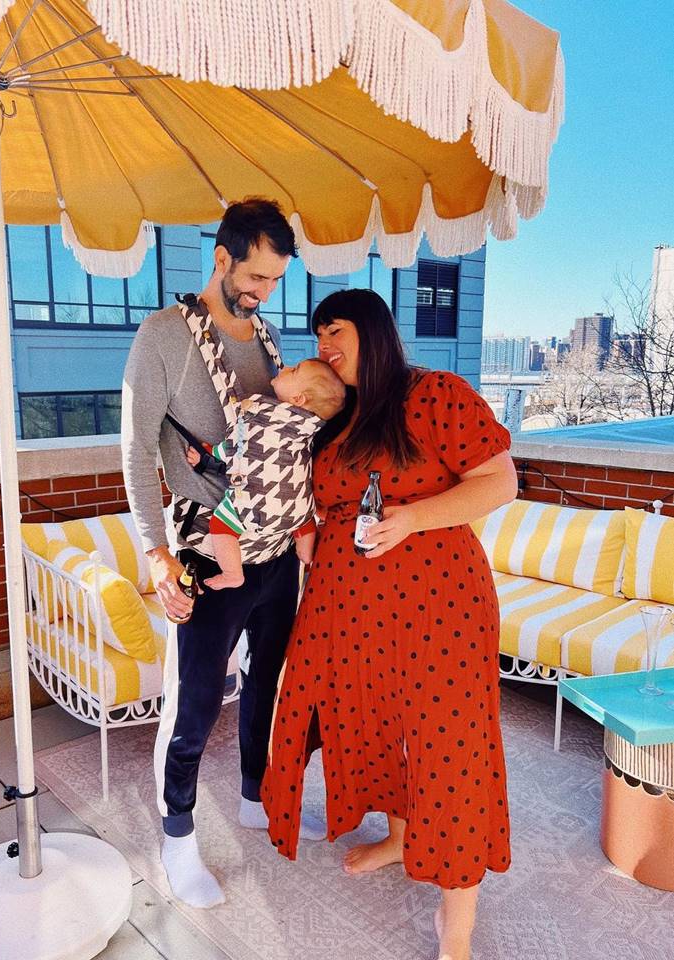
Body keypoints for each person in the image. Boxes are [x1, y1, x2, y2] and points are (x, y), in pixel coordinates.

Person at [261, 289, 518, 960]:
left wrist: (413, 517)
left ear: (371, 331)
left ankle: (454, 917)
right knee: (374, 728)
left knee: (449, 748)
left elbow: (498, 481)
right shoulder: (333, 418)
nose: (323, 344)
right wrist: (304, 530)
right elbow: (306, 498)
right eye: (317, 335)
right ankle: (401, 836)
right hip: (347, 608)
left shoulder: (436, 393)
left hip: (440, 606)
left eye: (335, 330)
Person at [121, 199, 325, 911]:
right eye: (255, 276)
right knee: (195, 704)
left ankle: (251, 794)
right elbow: (134, 454)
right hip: (209, 552)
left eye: (273, 281)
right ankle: (176, 839)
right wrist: (155, 555)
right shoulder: (162, 337)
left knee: (267, 684)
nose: (262, 292)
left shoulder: (266, 341)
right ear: (220, 256)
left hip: (273, 554)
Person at [186, 358, 346, 589]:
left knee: (221, 525)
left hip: (257, 505)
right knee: (301, 514)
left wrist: (209, 453)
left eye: (294, 370)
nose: (286, 367)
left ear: (298, 399)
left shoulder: (260, 416)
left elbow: (238, 448)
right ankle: (306, 553)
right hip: (297, 508)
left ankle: (232, 573)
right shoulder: (308, 428)